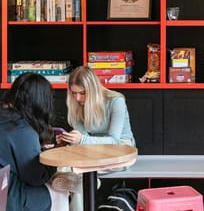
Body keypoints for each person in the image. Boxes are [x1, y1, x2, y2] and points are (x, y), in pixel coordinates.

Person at [0, 72, 70, 211]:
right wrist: (53, 157)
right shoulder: (21, 130)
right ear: (39, 103)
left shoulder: (5, 117)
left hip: (4, 188)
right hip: (6, 198)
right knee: (60, 191)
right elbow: (36, 177)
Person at [58, 65, 135, 146]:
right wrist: (70, 139)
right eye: (74, 93)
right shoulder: (75, 104)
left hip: (121, 144)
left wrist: (81, 140)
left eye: (83, 93)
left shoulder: (116, 101)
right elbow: (84, 138)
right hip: (93, 145)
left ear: (93, 90)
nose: (77, 98)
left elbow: (114, 140)